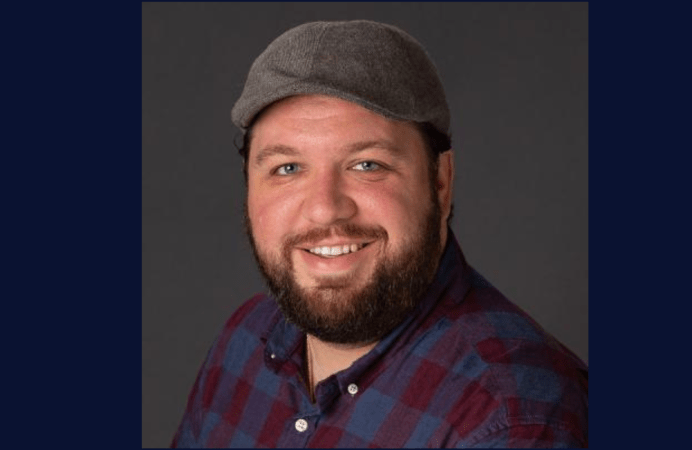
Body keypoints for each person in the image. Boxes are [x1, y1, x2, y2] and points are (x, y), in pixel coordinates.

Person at [171, 20, 587, 448]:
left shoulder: (513, 420)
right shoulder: (244, 341)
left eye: (367, 164)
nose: (324, 207)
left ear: (440, 182)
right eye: (287, 169)